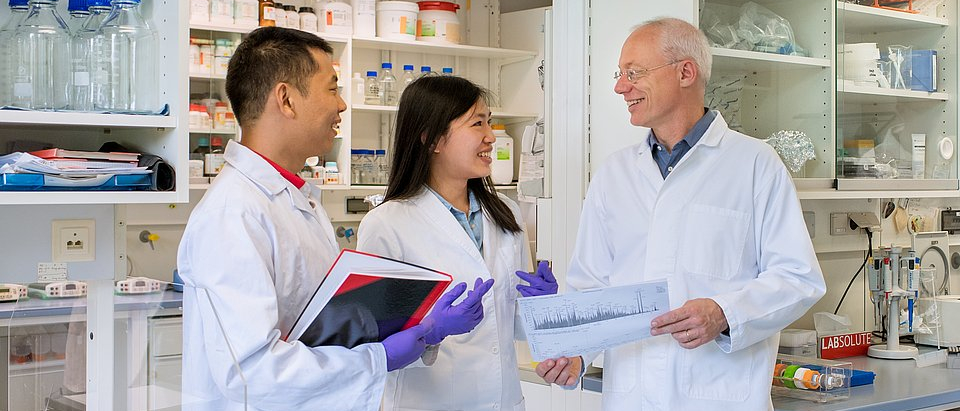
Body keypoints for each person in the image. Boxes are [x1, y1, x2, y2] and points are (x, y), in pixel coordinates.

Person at [177, 27, 491, 411]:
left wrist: (419, 330)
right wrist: (380, 357)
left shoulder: (295, 201)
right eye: (332, 88)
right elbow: (252, 373)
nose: (342, 105)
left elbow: (317, 331)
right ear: (286, 99)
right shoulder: (233, 215)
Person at [535, 18, 826, 410]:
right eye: (619, 75)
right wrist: (577, 354)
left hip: (720, 398)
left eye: (633, 73)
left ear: (685, 72)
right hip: (631, 399)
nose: (621, 87)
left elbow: (799, 278)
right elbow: (591, 288)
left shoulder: (755, 164)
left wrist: (724, 313)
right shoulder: (614, 174)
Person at [356, 75, 558, 411]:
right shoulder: (387, 224)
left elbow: (510, 324)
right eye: (477, 123)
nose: (491, 137)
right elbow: (375, 345)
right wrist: (432, 329)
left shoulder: (505, 213)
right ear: (432, 138)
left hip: (504, 400)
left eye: (489, 122)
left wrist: (541, 307)